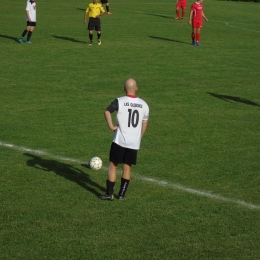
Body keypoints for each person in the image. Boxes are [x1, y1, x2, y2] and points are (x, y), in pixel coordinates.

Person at [100, 78, 149, 201]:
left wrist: (111, 126)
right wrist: (139, 137)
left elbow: (107, 112)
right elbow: (144, 123)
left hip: (120, 140)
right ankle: (121, 195)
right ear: (136, 88)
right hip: (134, 142)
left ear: (123, 88)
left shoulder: (120, 101)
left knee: (113, 165)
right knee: (127, 167)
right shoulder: (144, 104)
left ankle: (109, 194)